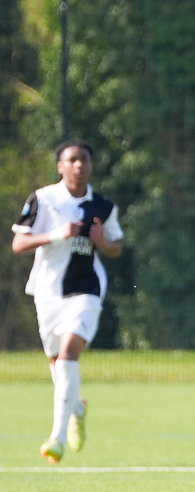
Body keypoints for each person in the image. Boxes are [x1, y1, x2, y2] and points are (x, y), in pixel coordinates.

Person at [11, 141, 123, 464]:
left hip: (86, 288)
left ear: (90, 165)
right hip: (47, 291)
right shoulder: (44, 198)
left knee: (70, 352)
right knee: (56, 362)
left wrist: (104, 242)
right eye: (72, 160)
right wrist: (55, 234)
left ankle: (57, 437)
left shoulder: (103, 206)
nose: (78, 165)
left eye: (84, 160)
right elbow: (19, 242)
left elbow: (117, 245)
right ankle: (77, 407)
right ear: (60, 166)